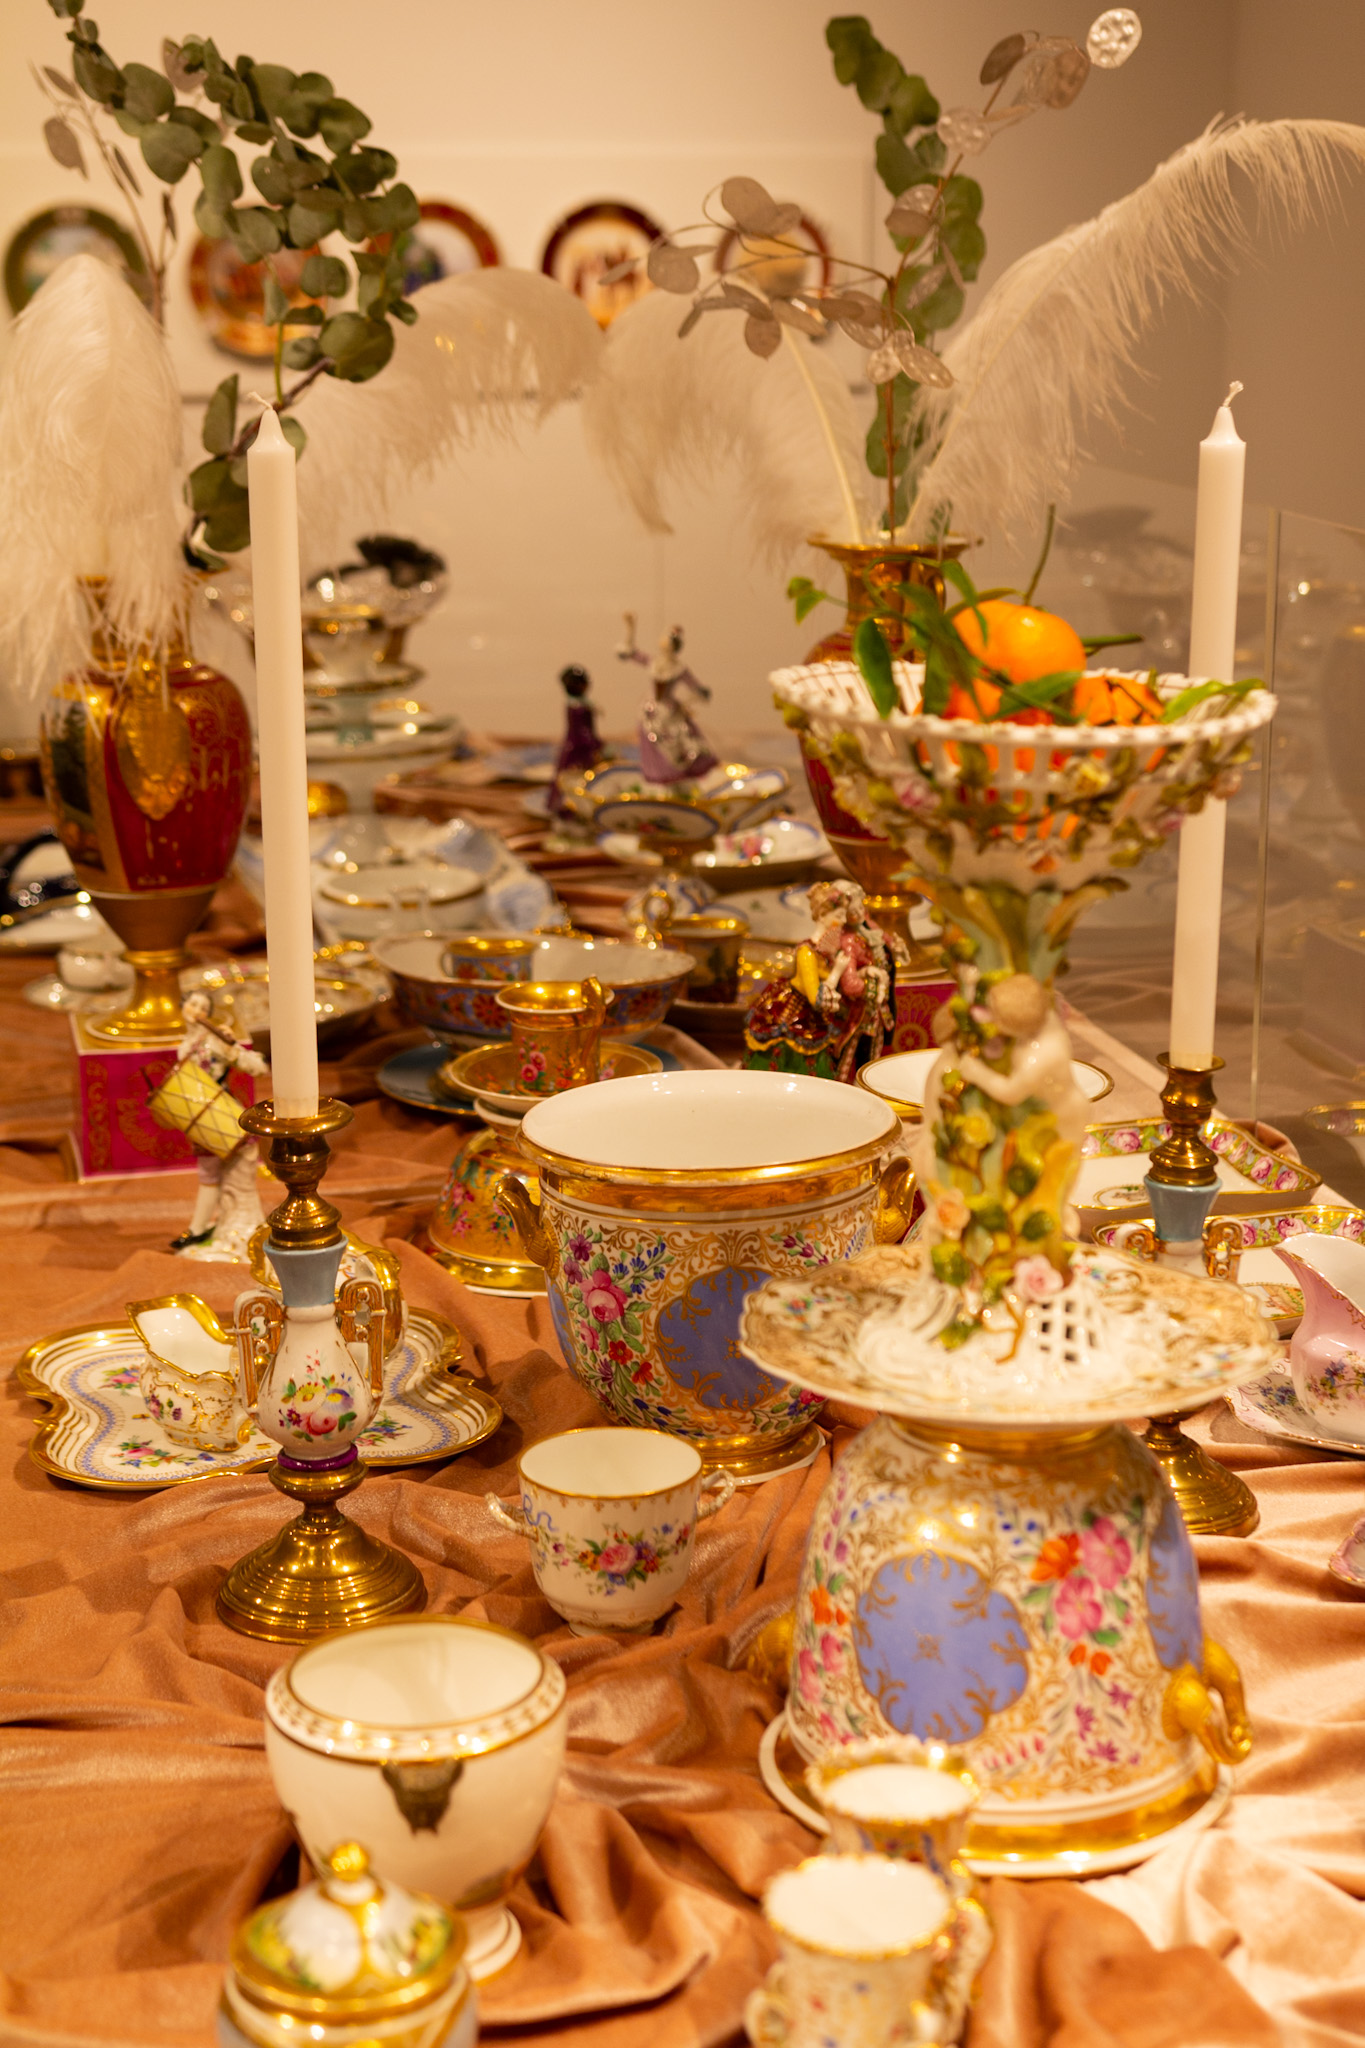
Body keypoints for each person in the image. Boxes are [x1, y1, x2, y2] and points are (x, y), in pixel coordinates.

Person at [744, 879, 896, 1081]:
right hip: (797, 1013)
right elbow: (815, 997)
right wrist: (838, 971)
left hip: (818, 1017)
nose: (842, 922)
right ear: (823, 916)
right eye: (838, 916)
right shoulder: (807, 952)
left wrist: (863, 972)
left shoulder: (826, 950)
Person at [165, 991, 269, 1256]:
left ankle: (204, 1228)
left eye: (203, 1007)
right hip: (200, 1116)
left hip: (220, 1113)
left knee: (214, 1173)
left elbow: (256, 1067)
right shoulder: (185, 1044)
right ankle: (202, 1228)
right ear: (183, 1007)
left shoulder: (213, 1041)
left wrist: (232, 1048)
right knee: (209, 1173)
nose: (197, 1010)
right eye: (193, 1004)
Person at [616, 612, 718, 783]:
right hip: (652, 710)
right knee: (652, 736)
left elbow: (697, 688)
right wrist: (630, 628)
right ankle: (657, 774)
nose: (663, 642)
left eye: (667, 639)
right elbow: (629, 653)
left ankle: (678, 776)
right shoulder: (654, 662)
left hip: (669, 711)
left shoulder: (679, 668)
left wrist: (688, 702)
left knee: (678, 739)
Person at [549, 663, 606, 818]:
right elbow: (582, 731)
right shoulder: (578, 707)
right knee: (576, 779)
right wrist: (595, 744)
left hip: (578, 747)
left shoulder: (580, 704)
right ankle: (571, 811)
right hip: (579, 749)